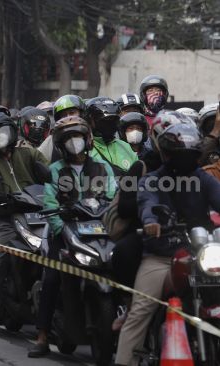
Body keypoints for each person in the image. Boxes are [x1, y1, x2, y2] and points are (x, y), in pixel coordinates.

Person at [115, 123, 220, 366]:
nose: (185, 159)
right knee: (140, 310)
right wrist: (151, 221)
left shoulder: (204, 179)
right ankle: (124, 361)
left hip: (201, 253)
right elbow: (147, 203)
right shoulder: (153, 180)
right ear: (167, 154)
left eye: (190, 154)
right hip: (160, 256)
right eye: (179, 154)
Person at [30, 116, 116, 357]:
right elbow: (49, 203)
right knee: (52, 279)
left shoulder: (102, 167)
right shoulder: (56, 171)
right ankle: (42, 336)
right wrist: (61, 227)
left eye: (77, 137)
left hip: (99, 230)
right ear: (60, 144)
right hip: (66, 231)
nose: (74, 143)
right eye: (68, 139)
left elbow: (112, 197)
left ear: (87, 140)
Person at [0, 112, 49, 331]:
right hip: (7, 218)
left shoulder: (29, 154)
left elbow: (49, 172)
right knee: (0, 258)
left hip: (40, 213)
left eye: (1, 133)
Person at [86, 97, 138, 174]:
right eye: (105, 121)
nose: (110, 124)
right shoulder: (85, 149)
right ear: (90, 121)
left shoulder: (126, 147)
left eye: (114, 120)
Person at [38, 94, 87, 162]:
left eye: (72, 112)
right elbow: (38, 160)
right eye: (64, 115)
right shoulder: (52, 139)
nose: (68, 117)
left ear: (81, 114)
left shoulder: (90, 135)